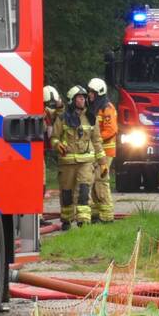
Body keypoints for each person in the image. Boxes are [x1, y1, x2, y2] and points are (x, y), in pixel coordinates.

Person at [50, 85, 104, 230]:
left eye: (84, 97)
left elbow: (97, 141)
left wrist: (102, 162)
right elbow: (54, 137)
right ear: (72, 100)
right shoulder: (62, 118)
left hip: (86, 162)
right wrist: (57, 145)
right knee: (66, 193)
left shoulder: (91, 118)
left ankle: (83, 222)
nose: (83, 100)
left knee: (84, 191)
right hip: (67, 162)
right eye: (79, 97)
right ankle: (67, 220)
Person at [87, 77, 116, 223]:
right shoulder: (93, 107)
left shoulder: (107, 107)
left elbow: (111, 130)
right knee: (92, 181)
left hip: (106, 151)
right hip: (95, 150)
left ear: (99, 92)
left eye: (92, 92)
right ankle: (95, 214)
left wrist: (94, 139)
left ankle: (107, 216)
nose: (89, 95)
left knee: (101, 181)